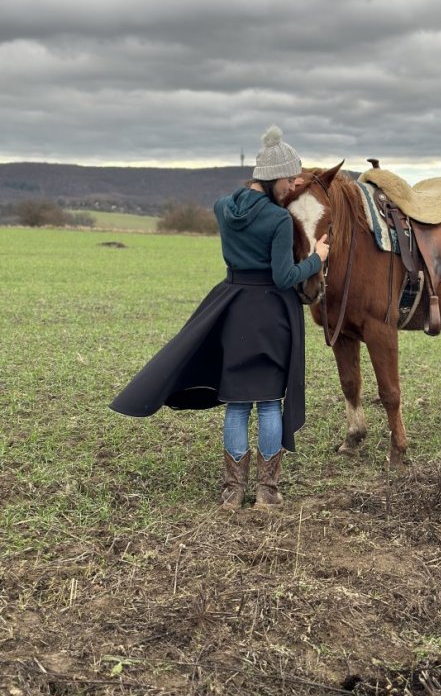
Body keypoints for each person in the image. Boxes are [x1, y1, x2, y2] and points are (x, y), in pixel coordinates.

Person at [109, 126, 331, 510]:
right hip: (270, 316)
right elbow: (283, 277)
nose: (293, 188)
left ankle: (232, 491)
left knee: (238, 404)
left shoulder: (221, 207)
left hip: (233, 311)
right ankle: (267, 493)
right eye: (290, 180)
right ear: (274, 177)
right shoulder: (279, 222)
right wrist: (317, 259)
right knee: (267, 405)